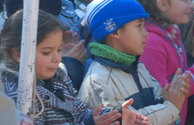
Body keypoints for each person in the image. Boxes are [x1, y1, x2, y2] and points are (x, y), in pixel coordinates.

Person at [0, 9, 149, 125]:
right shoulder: (18, 95)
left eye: (59, 50)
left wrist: (113, 115)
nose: (57, 58)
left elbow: (81, 111)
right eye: (46, 52)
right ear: (19, 54)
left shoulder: (60, 77)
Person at [79, 0, 189, 124]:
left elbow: (162, 105)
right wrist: (171, 107)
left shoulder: (139, 67)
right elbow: (129, 120)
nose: (146, 33)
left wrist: (171, 97)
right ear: (115, 31)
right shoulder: (99, 81)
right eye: (139, 26)